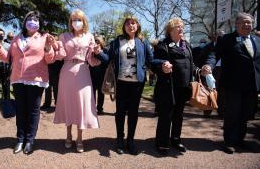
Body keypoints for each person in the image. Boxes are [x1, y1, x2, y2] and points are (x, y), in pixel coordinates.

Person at [96, 16, 172, 155]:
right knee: (119, 112)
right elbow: (107, 60)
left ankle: (130, 140)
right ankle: (120, 139)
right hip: (120, 82)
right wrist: (99, 53)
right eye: (128, 23)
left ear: (137, 26)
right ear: (124, 27)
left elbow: (150, 61)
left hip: (137, 84)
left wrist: (162, 64)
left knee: (133, 112)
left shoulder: (142, 42)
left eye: (133, 23)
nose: (131, 25)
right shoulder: (116, 42)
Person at [0, 10, 56, 155]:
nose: (33, 22)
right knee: (20, 110)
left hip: (36, 79)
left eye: (36, 20)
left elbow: (50, 59)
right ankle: (20, 139)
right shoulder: (16, 38)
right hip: (18, 79)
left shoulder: (44, 37)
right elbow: (8, 57)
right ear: (25, 22)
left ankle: (30, 140)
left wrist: (48, 47)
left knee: (33, 111)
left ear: (40, 23)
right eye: (30, 19)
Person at [153, 17, 211, 155]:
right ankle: (161, 142)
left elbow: (191, 64)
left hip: (184, 87)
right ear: (170, 30)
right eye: (178, 27)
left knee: (178, 115)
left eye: (182, 27)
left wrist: (199, 70)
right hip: (168, 87)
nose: (181, 29)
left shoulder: (186, 45)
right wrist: (162, 65)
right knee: (166, 115)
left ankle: (175, 138)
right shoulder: (163, 44)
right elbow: (154, 61)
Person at [206, 12, 260, 154]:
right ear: (236, 24)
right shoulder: (227, 39)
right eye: (244, 22)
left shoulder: (257, 40)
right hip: (233, 84)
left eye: (249, 22)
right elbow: (214, 54)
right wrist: (209, 66)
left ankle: (239, 140)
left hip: (252, 85)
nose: (247, 25)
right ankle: (228, 141)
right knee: (232, 114)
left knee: (246, 114)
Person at [53, 9, 101, 153]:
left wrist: (97, 52)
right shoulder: (63, 36)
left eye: (79, 19)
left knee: (82, 104)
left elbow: (92, 61)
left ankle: (80, 138)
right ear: (70, 22)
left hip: (83, 71)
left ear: (84, 21)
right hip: (67, 70)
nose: (76, 22)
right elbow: (60, 56)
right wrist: (53, 47)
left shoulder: (90, 36)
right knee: (68, 103)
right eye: (74, 19)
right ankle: (68, 135)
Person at [41, 32, 63, 110]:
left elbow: (61, 57)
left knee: (57, 88)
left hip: (57, 71)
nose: (53, 37)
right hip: (47, 70)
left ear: (57, 37)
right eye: (51, 35)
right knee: (47, 88)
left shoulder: (60, 45)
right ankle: (47, 104)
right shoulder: (46, 45)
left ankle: (58, 104)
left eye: (54, 36)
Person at [89, 35, 108, 115]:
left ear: (101, 42)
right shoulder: (90, 50)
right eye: (95, 41)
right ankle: (92, 109)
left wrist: (99, 53)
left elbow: (106, 60)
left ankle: (100, 109)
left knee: (101, 93)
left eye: (98, 41)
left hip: (102, 75)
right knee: (91, 93)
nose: (96, 43)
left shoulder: (105, 50)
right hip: (91, 75)